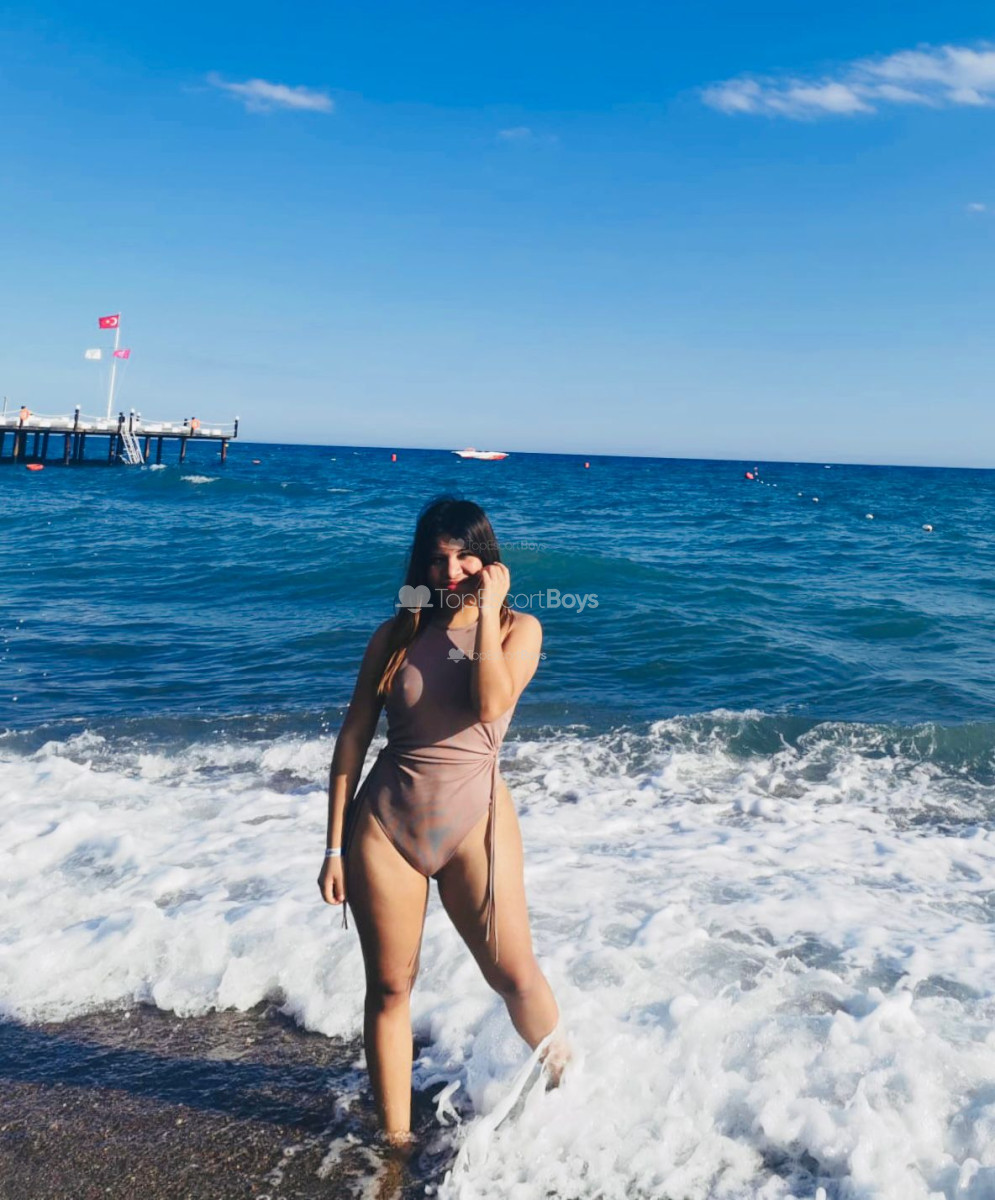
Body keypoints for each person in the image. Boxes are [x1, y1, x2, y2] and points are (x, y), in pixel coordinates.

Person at [318, 496, 566, 1147]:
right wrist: (333, 847)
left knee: (513, 974)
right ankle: (395, 1144)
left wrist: (484, 612)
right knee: (389, 987)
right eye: (436, 559)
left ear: (488, 559)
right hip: (386, 825)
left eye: (463, 556)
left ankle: (567, 1086)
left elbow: (489, 704)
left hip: (474, 822)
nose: (450, 570)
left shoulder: (519, 629)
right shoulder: (395, 634)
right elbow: (353, 738)